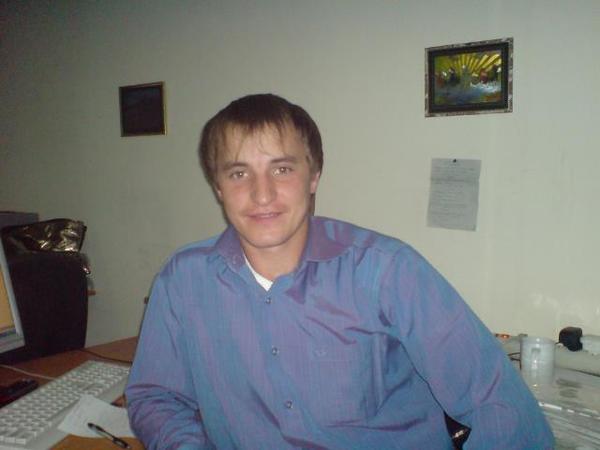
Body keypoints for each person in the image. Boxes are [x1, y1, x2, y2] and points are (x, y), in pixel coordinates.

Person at [125, 94, 553, 449]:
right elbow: (155, 396)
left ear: (313, 176)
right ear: (218, 187)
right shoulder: (183, 281)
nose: (262, 194)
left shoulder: (387, 271)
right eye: (239, 173)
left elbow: (502, 408)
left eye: (282, 169)